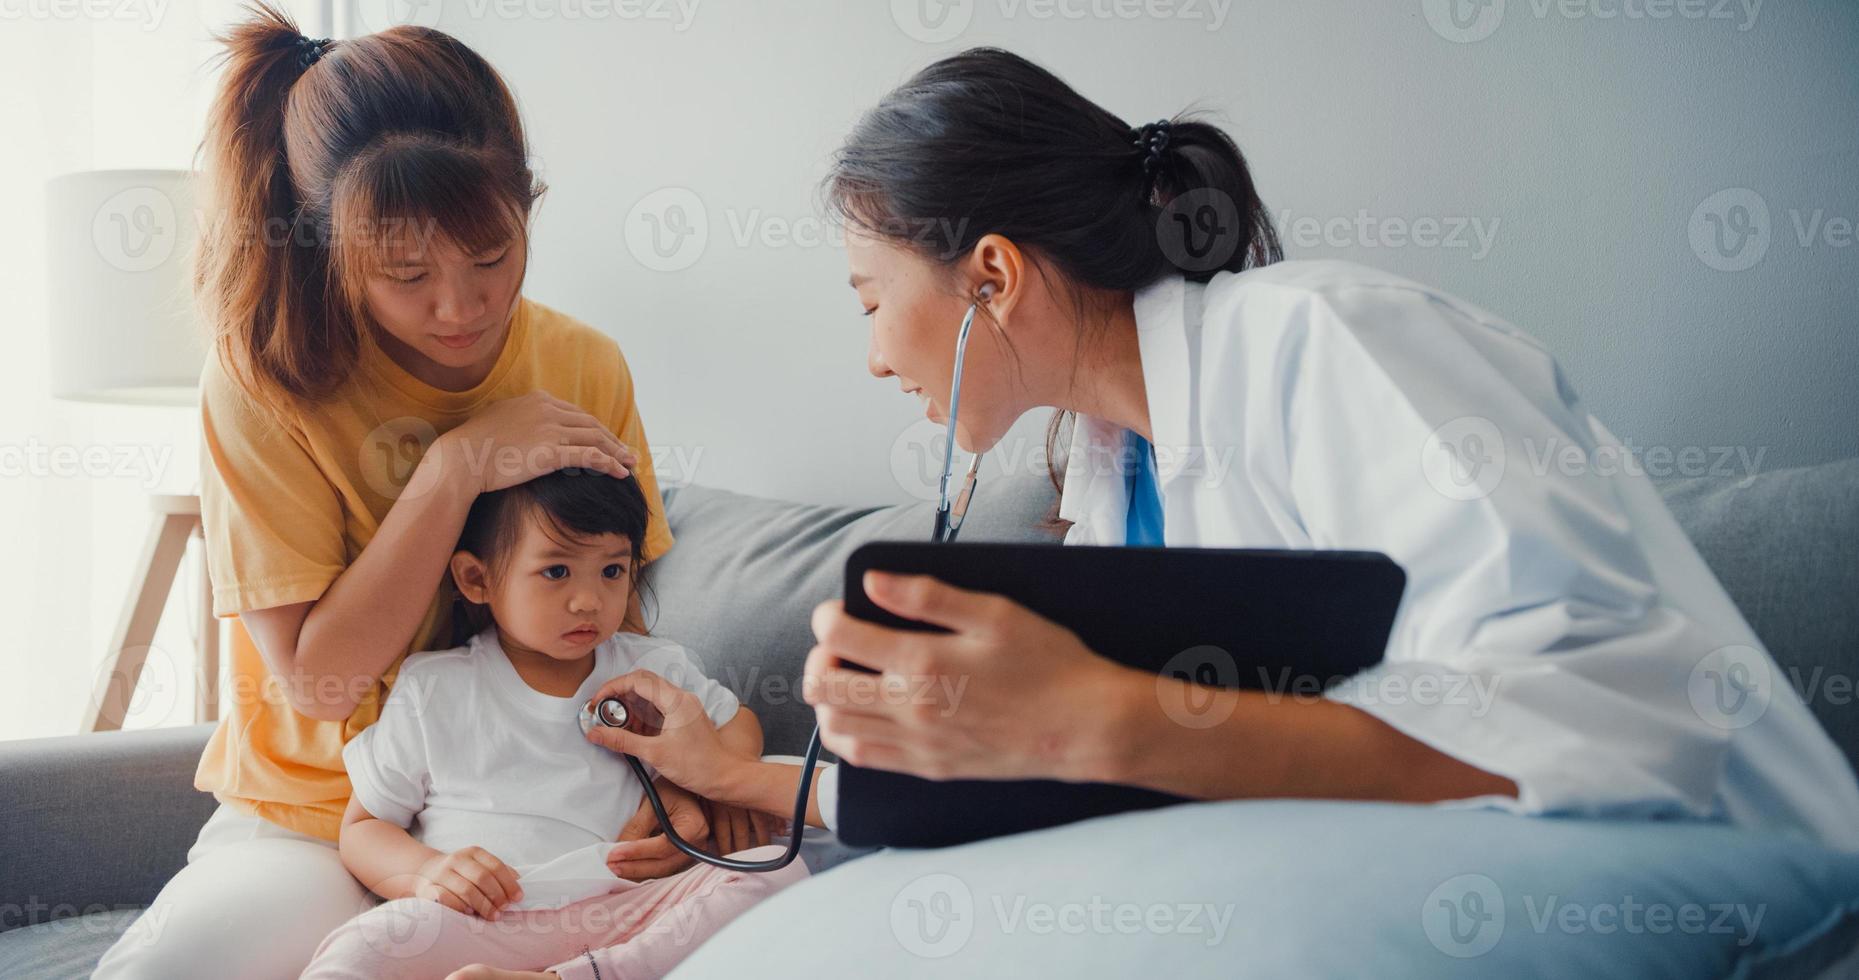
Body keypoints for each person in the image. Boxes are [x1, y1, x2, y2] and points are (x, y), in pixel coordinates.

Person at [591, 47, 1859, 854]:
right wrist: (783, 779)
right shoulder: (1107, 466)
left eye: (868, 297)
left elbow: (1614, 724)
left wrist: (1108, 722)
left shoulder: (1327, 340)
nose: (872, 354)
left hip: (1709, 870)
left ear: (990, 276)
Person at [93, 8, 752, 978]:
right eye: (406, 274)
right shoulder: (261, 381)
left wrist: (676, 800)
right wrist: (456, 468)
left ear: (526, 204)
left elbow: (615, 624)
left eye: (491, 256)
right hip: (318, 822)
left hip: (536, 817)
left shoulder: (581, 362)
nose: (462, 307)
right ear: (329, 247)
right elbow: (320, 683)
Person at [302, 468, 807, 980]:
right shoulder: (434, 688)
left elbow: (736, 721)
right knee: (363, 947)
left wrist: (709, 780)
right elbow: (365, 828)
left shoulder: (656, 668)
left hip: (632, 912)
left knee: (779, 870)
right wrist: (427, 872)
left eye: (612, 571)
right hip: (488, 918)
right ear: (477, 579)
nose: (589, 599)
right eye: (557, 572)